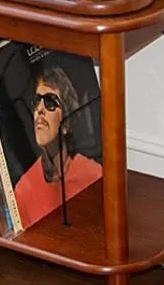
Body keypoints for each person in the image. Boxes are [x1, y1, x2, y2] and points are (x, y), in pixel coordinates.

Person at [12, 65, 102, 228]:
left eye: (50, 102)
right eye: (37, 101)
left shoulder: (94, 175)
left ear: (66, 123)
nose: (40, 110)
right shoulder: (23, 189)